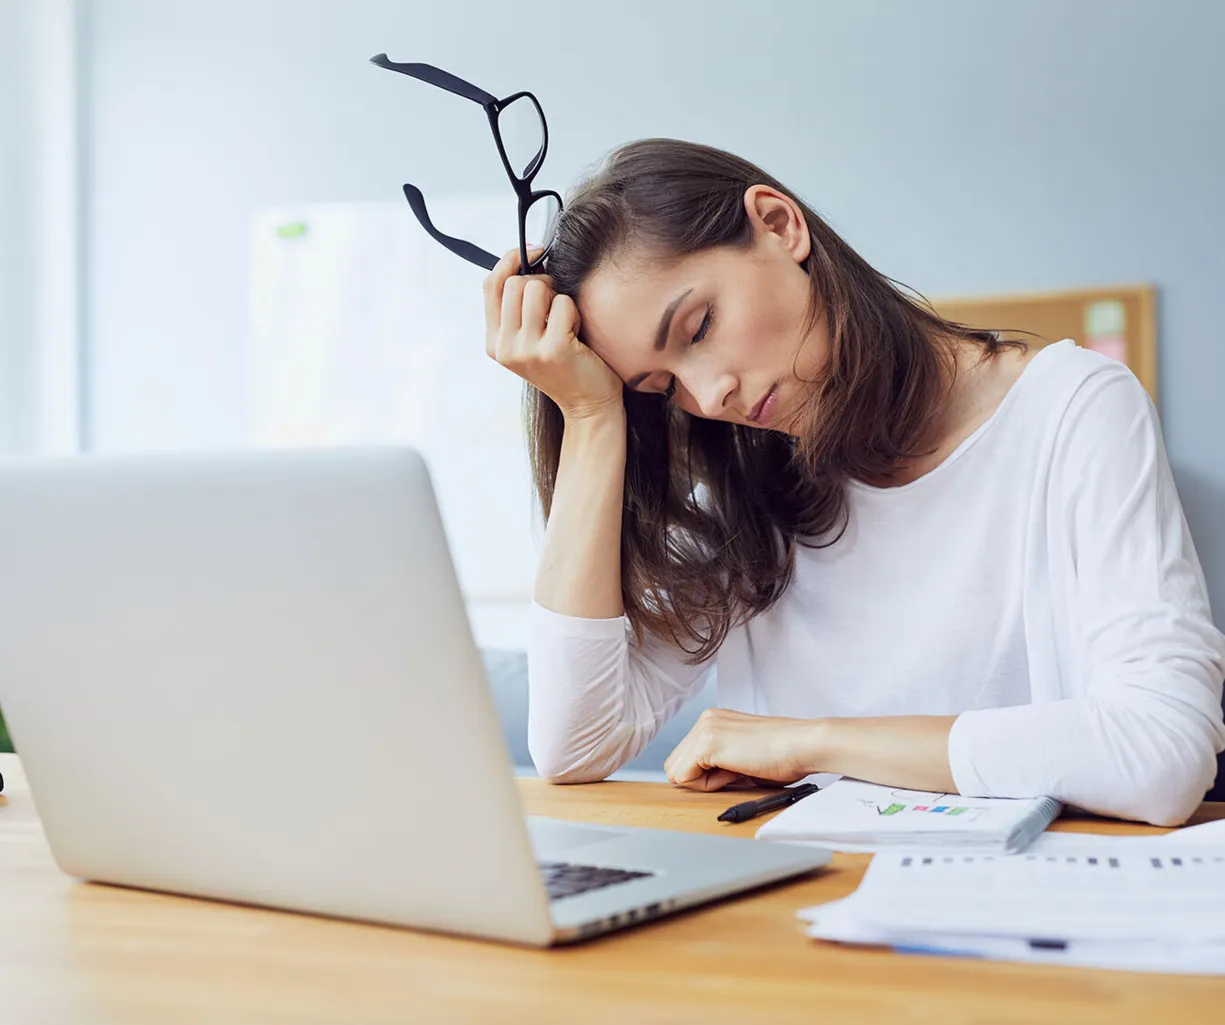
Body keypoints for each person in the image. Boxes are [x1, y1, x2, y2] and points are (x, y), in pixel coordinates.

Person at [481, 138, 1225, 826]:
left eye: (700, 325)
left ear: (778, 225)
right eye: (659, 384)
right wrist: (589, 416)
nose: (709, 397)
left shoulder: (1073, 407)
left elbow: (1161, 751)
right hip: (798, 919)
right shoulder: (741, 479)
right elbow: (574, 746)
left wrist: (809, 743)